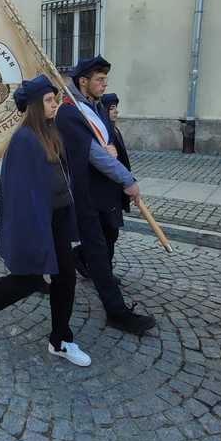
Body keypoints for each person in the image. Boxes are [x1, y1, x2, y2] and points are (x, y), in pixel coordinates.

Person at [0, 75, 91, 366]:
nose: (54, 105)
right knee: (29, 279)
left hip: (58, 217)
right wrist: (33, 228)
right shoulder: (24, 139)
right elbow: (20, 193)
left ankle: (60, 340)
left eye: (54, 99)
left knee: (65, 278)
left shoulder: (51, 132)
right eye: (49, 101)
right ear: (36, 105)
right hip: (38, 221)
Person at [56, 56, 155, 335]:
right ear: (82, 81)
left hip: (103, 193)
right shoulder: (69, 112)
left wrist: (113, 153)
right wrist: (127, 180)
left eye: (105, 80)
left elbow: (108, 143)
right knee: (98, 252)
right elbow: (95, 154)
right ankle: (117, 312)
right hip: (84, 194)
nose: (104, 84)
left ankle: (78, 259)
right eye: (99, 80)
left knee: (104, 240)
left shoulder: (95, 107)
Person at [101, 93, 132, 275]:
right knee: (109, 234)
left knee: (110, 234)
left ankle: (87, 260)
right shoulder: (106, 133)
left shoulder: (115, 130)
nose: (116, 112)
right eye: (111, 108)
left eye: (115, 108)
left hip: (117, 190)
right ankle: (104, 271)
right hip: (108, 192)